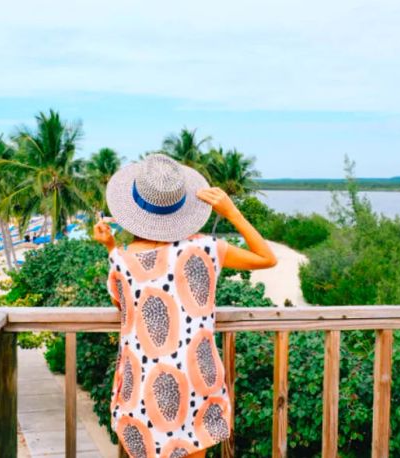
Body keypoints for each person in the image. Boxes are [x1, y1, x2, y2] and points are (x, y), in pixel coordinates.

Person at [93, 154, 276, 458]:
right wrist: (232, 213)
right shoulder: (206, 248)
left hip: (142, 383)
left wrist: (111, 247)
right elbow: (266, 258)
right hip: (195, 378)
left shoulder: (121, 261)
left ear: (135, 209)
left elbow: (123, 303)